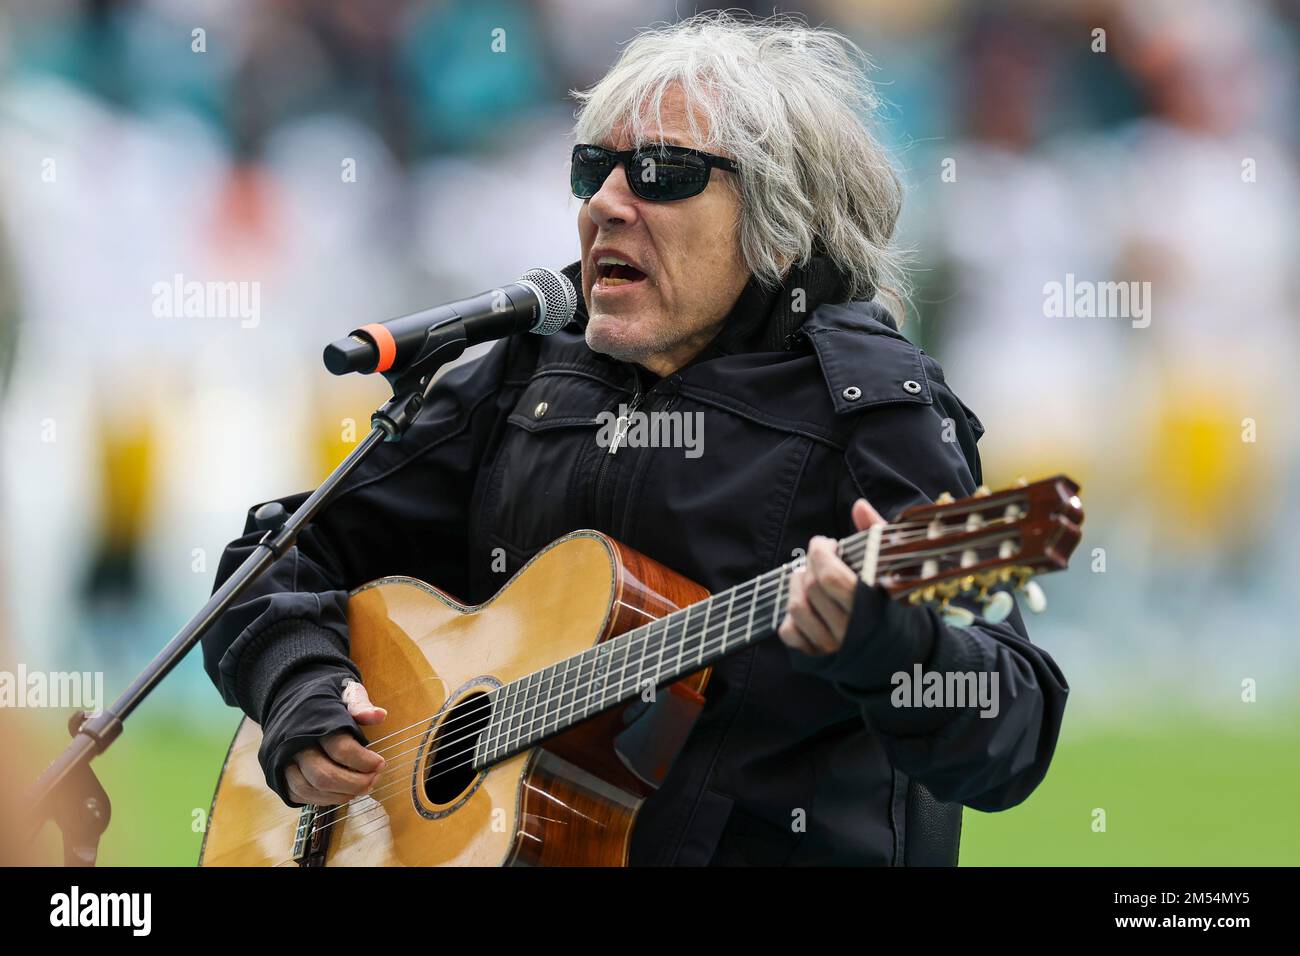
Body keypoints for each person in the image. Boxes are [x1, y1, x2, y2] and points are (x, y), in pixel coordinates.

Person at [203, 13, 1068, 866]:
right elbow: (279, 556)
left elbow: (1010, 736)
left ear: (778, 213)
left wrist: (893, 646)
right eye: (594, 168)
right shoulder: (525, 376)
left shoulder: (875, 411)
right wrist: (302, 688)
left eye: (662, 172)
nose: (609, 203)